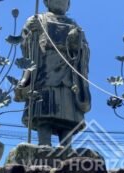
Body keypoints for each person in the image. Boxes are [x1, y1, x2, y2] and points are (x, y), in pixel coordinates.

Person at [15, 0, 91, 147]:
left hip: (68, 76)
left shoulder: (74, 24)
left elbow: (84, 50)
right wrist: (32, 34)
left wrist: (79, 45)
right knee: (44, 114)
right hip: (44, 72)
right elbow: (26, 45)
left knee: (68, 117)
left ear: (68, 5)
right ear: (46, 2)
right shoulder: (37, 19)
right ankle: (44, 144)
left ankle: (66, 148)